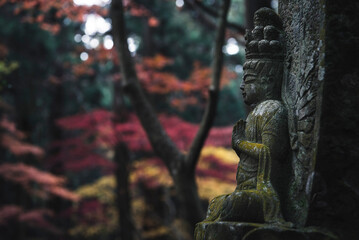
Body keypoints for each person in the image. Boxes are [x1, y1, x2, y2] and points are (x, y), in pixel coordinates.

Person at [200, 8, 289, 225]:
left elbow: (272, 152)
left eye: (248, 80)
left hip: (265, 192)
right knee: (217, 204)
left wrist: (241, 144)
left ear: (267, 80)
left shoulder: (273, 109)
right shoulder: (256, 113)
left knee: (233, 205)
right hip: (248, 187)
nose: (241, 86)